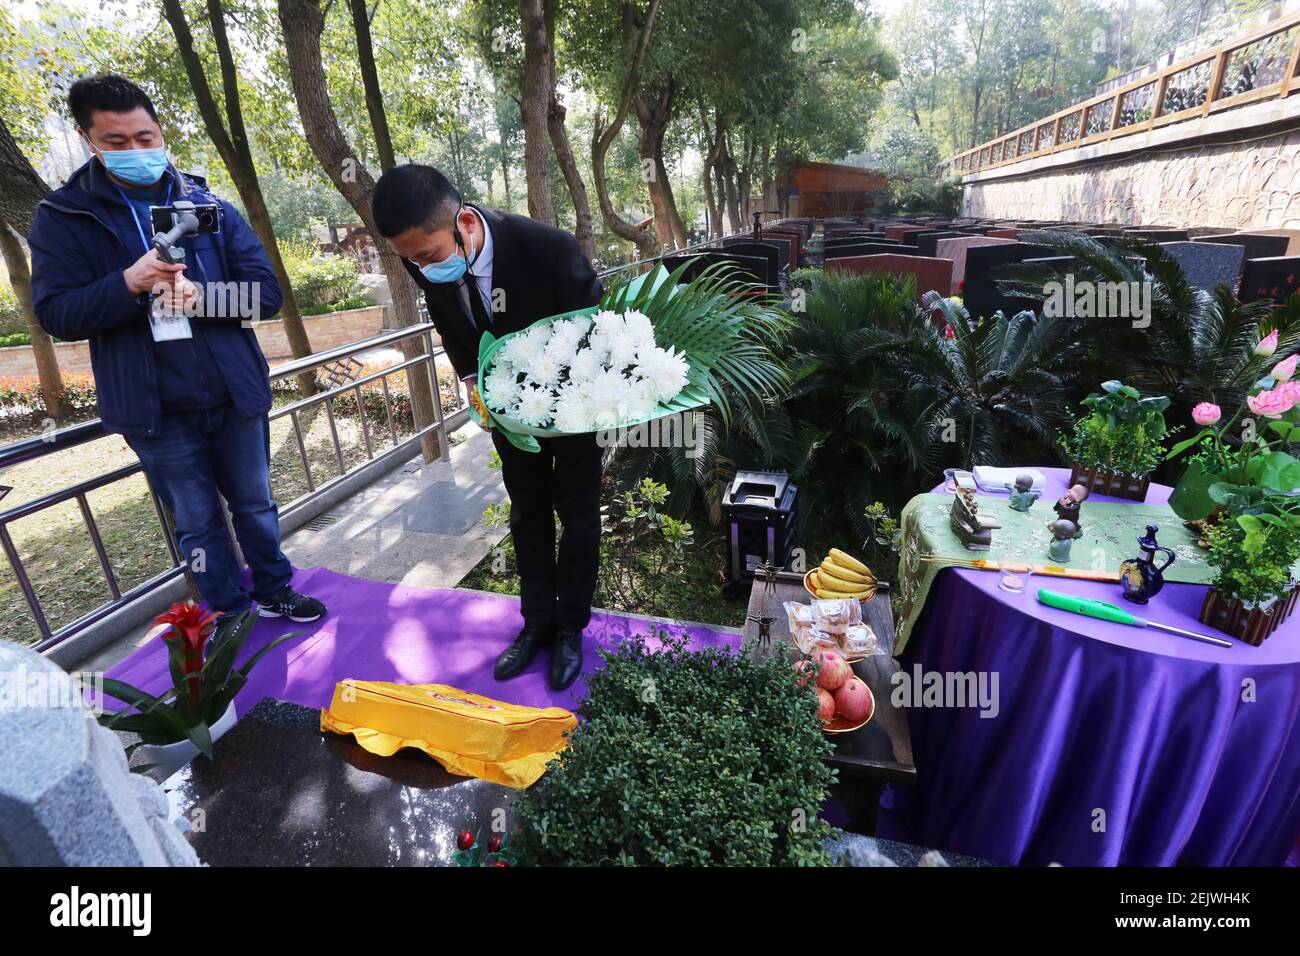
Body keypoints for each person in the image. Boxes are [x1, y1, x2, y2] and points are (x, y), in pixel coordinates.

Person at [29, 75, 326, 637]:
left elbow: (265, 294)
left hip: (235, 393)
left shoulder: (205, 201)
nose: (136, 151)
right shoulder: (65, 216)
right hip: (155, 410)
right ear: (88, 140)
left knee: (257, 505)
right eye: (116, 142)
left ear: (160, 132)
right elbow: (57, 315)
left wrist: (203, 299)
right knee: (196, 524)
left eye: (145, 137)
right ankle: (228, 612)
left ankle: (273, 589)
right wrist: (127, 283)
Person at [372, 164, 603, 691]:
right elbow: (449, 317)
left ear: (464, 223)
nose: (422, 267)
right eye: (410, 259)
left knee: (578, 515)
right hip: (505, 413)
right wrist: (473, 379)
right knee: (527, 513)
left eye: (428, 254)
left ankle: (570, 628)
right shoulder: (423, 259)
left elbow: (591, 334)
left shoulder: (548, 248)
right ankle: (538, 621)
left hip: (572, 409)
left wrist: (552, 392)